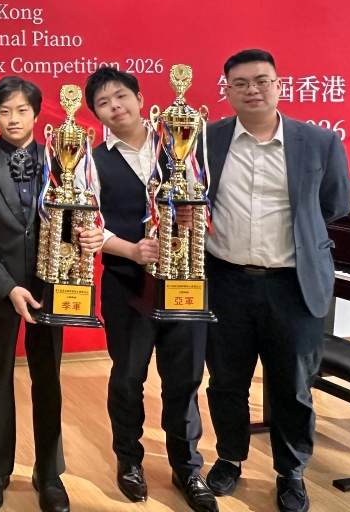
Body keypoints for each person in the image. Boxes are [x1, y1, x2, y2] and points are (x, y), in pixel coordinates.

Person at [202, 50, 350, 512]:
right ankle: (229, 458)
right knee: (226, 380)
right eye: (241, 83)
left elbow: (334, 205)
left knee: (293, 385)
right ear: (227, 90)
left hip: (294, 284)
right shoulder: (207, 140)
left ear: (279, 84)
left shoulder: (319, 142)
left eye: (262, 80)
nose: (252, 90)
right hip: (225, 280)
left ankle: (292, 472)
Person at [0, 76, 103, 512]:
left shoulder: (63, 157)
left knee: (48, 380)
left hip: (50, 290)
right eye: (4, 111)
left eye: (22, 110)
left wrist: (90, 236)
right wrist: (8, 287)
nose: (14, 119)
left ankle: (48, 472)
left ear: (37, 115)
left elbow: (81, 216)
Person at [84, 67, 216, 512]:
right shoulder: (91, 160)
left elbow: (207, 200)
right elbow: (87, 225)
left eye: (121, 96)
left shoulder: (182, 144)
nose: (115, 107)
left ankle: (187, 467)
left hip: (184, 283)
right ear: (96, 113)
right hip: (125, 284)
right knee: (127, 378)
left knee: (185, 379)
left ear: (141, 99)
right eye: (103, 103)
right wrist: (131, 250)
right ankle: (129, 461)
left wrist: (193, 217)